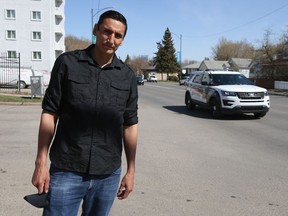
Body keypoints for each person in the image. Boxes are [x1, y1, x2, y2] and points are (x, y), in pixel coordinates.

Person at [31, 10, 138, 216]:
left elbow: (130, 124)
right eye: (107, 31)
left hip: (107, 175)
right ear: (95, 30)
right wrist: (41, 162)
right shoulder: (67, 64)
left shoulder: (127, 76)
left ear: (123, 40)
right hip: (66, 170)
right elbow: (49, 113)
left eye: (118, 36)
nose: (111, 39)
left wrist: (131, 171)